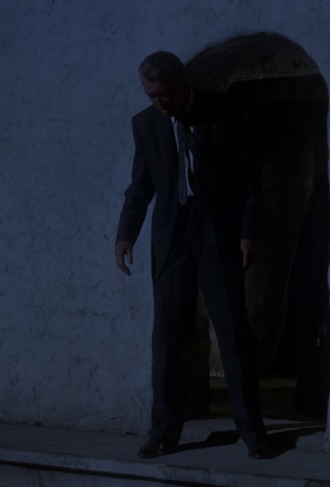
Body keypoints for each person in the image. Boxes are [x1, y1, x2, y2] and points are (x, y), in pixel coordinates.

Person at [114, 51, 270, 459]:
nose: (159, 103)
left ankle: (253, 433)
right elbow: (141, 185)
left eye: (165, 94)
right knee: (168, 336)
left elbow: (251, 177)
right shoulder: (145, 124)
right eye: (151, 96)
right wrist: (126, 233)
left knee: (232, 331)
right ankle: (164, 432)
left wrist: (248, 231)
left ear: (183, 85)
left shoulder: (223, 111)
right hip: (172, 237)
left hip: (218, 233)